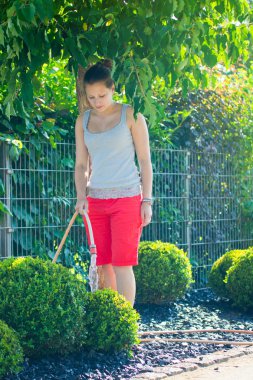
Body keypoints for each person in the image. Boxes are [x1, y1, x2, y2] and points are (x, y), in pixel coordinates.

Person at [74, 59, 153, 306]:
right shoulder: (82, 122)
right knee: (102, 263)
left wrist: (147, 200)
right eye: (91, 97)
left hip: (127, 199)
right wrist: (80, 197)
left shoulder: (131, 114)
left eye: (102, 95)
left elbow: (145, 160)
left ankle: (125, 323)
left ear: (112, 89)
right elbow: (80, 165)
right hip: (95, 201)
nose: (97, 102)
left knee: (122, 263)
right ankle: (109, 317)